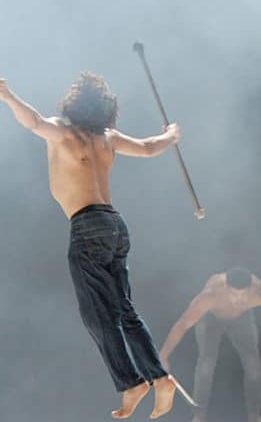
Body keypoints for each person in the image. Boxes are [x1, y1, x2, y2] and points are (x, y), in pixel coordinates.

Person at [0, 73, 180, 419]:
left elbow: (33, 121)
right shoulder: (107, 138)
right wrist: (170, 137)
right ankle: (159, 376)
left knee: (99, 315)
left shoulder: (65, 132)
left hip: (87, 227)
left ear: (72, 104)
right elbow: (146, 148)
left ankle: (132, 382)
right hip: (115, 225)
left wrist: (8, 97)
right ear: (106, 110)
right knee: (124, 309)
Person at [159, 267, 261, 422]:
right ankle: (199, 416)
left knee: (253, 363)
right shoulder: (210, 295)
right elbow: (182, 324)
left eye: (244, 295)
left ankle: (254, 416)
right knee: (207, 363)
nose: (238, 300)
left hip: (241, 320)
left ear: (251, 289)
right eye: (234, 294)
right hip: (210, 319)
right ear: (225, 287)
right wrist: (164, 355)